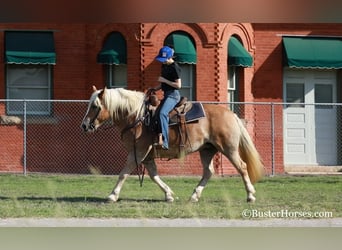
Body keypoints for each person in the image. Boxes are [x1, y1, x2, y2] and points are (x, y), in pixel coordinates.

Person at [153, 45, 182, 150]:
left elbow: (178, 85)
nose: (162, 62)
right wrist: (154, 88)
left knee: (162, 113)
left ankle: (165, 142)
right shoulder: (164, 66)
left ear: (170, 57)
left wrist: (164, 81)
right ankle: (158, 137)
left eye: (164, 59)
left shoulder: (175, 67)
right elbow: (163, 83)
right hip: (166, 94)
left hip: (173, 96)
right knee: (155, 113)